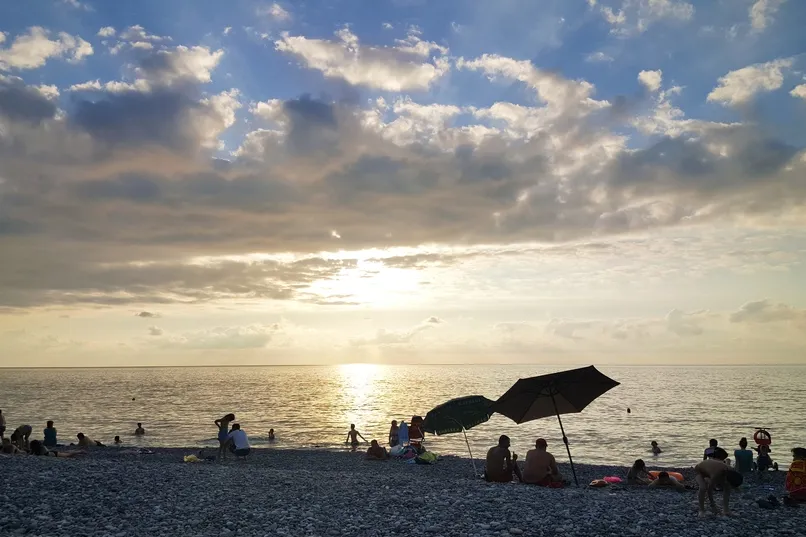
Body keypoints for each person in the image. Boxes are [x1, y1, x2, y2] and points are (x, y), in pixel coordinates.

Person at [694, 447, 742, 517]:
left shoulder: (730, 470)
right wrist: (713, 505)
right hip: (699, 470)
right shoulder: (716, 474)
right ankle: (701, 510)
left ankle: (726, 510)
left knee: (727, 487)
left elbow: (733, 480)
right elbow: (709, 491)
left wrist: (736, 487)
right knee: (703, 487)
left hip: (710, 470)